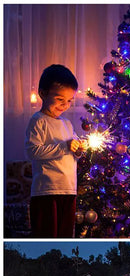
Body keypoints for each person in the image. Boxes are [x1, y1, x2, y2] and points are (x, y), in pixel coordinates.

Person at [25, 64, 85, 237]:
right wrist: (64, 147)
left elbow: (72, 153)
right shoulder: (38, 121)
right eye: (60, 99)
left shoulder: (67, 124)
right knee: (46, 236)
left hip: (68, 190)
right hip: (46, 191)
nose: (65, 105)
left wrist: (78, 150)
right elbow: (32, 152)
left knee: (66, 236)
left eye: (69, 101)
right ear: (43, 93)